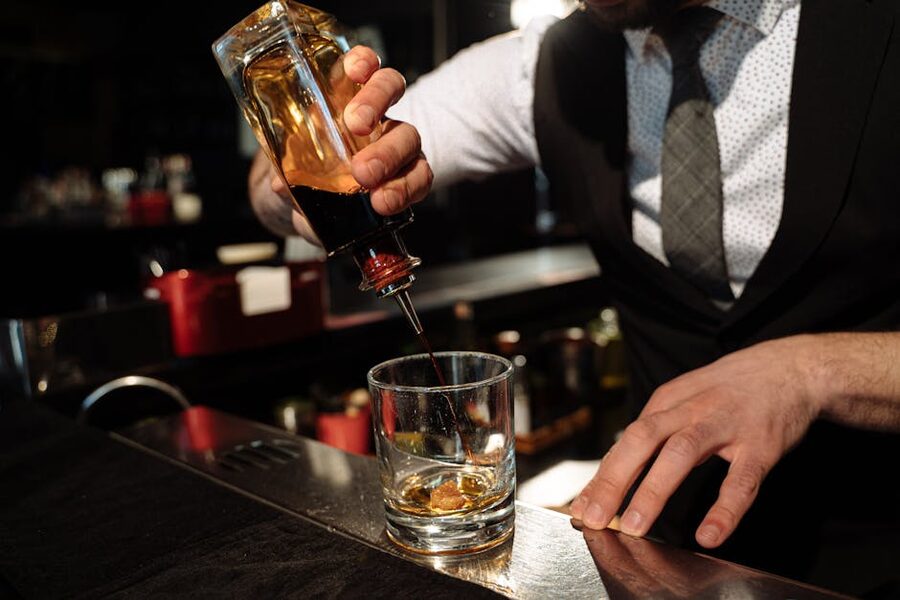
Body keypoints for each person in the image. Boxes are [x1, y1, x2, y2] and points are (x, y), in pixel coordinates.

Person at [251, 0, 900, 587]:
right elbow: (269, 187)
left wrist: (814, 372)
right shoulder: (546, 63)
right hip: (662, 558)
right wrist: (305, 171)